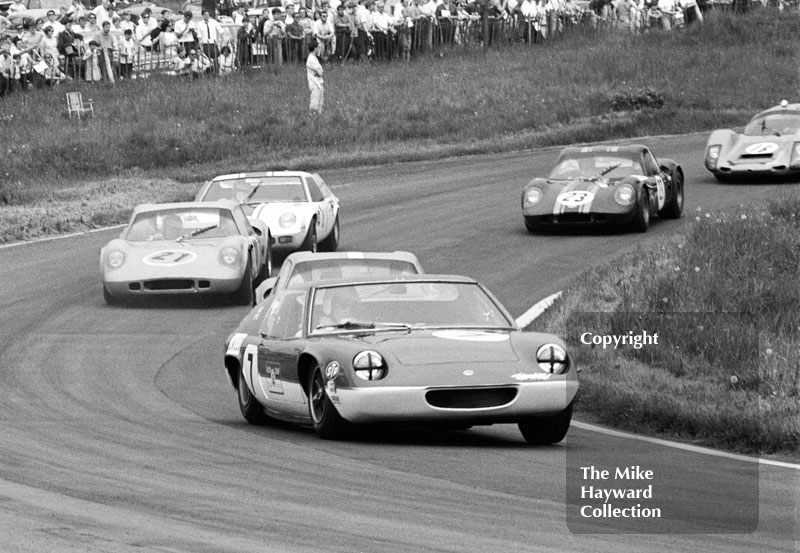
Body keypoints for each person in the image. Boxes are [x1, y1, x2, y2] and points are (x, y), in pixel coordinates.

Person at [305, 37, 324, 114]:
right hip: (314, 83)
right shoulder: (311, 59)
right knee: (314, 103)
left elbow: (321, 71)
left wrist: (320, 72)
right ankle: (312, 118)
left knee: (320, 103)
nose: (319, 49)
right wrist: (319, 72)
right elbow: (319, 72)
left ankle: (318, 119)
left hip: (319, 82)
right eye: (318, 48)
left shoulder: (315, 58)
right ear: (315, 48)